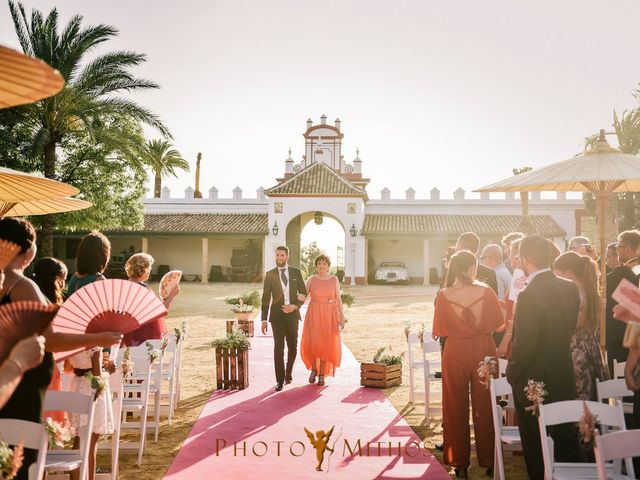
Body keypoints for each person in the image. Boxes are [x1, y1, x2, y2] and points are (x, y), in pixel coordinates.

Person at [0, 218, 121, 480]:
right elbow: (50, 340)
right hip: (22, 392)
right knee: (20, 468)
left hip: (8, 386)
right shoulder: (22, 285)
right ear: (28, 249)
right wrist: (96, 338)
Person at [506, 235, 581, 480]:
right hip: (563, 372)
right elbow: (569, 328)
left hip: (533, 378)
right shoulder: (569, 287)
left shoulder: (529, 295)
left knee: (535, 442)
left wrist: (513, 373)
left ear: (526, 259)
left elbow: (524, 345)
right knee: (565, 437)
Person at [432, 251, 504, 478]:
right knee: (487, 404)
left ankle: (460, 462)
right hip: (484, 350)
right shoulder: (486, 291)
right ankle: (491, 460)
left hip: (455, 351)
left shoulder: (443, 295)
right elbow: (499, 324)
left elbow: (440, 330)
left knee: (454, 405)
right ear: (472, 267)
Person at [554, 252, 607, 400]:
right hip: (590, 346)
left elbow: (576, 323)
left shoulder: (577, 292)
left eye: (558, 274)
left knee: (580, 394)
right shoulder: (589, 289)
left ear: (568, 273)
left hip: (577, 349)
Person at [261, 246, 307, 392]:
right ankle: (279, 380)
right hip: (277, 317)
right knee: (278, 348)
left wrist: (295, 306)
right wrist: (263, 319)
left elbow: (304, 293)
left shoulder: (296, 272)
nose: (279, 258)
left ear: (287, 256)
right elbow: (265, 298)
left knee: (292, 346)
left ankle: (288, 373)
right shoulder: (270, 274)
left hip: (292, 316)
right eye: (277, 255)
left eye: (282, 255)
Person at [32, 257, 68, 424]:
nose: (63, 285)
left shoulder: (27, 298)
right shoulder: (51, 308)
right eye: (62, 280)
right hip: (47, 364)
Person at [299, 254, 344, 387]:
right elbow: (303, 296)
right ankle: (313, 370)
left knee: (326, 344)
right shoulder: (312, 280)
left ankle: (322, 374)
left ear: (328, 266)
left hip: (329, 315)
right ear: (316, 266)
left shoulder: (334, 279)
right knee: (313, 342)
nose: (321, 266)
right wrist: (292, 300)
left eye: (324, 263)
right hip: (313, 314)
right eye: (319, 263)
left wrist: (341, 318)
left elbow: (339, 299)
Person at [122, 253, 179, 346]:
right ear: (144, 268)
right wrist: (172, 295)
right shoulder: (143, 289)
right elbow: (160, 311)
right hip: (143, 336)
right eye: (150, 266)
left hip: (128, 336)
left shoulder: (123, 286)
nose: (151, 269)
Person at [606, 230, 640, 374]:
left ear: (628, 249)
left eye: (619, 247)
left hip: (621, 336)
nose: (617, 250)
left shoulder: (621, 274)